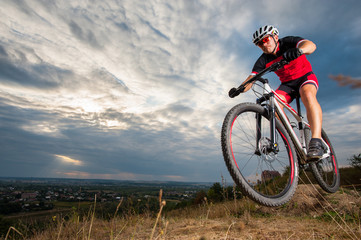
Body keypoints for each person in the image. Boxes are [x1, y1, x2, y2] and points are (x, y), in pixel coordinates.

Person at [240, 25, 326, 161]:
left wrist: (300, 50)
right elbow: (252, 77)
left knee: (308, 95)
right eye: (258, 44)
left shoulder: (288, 42)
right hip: (288, 85)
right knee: (273, 105)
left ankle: (316, 141)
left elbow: (311, 45)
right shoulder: (263, 59)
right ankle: (290, 136)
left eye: (266, 39)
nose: (263, 44)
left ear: (275, 37)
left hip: (305, 77)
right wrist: (240, 88)